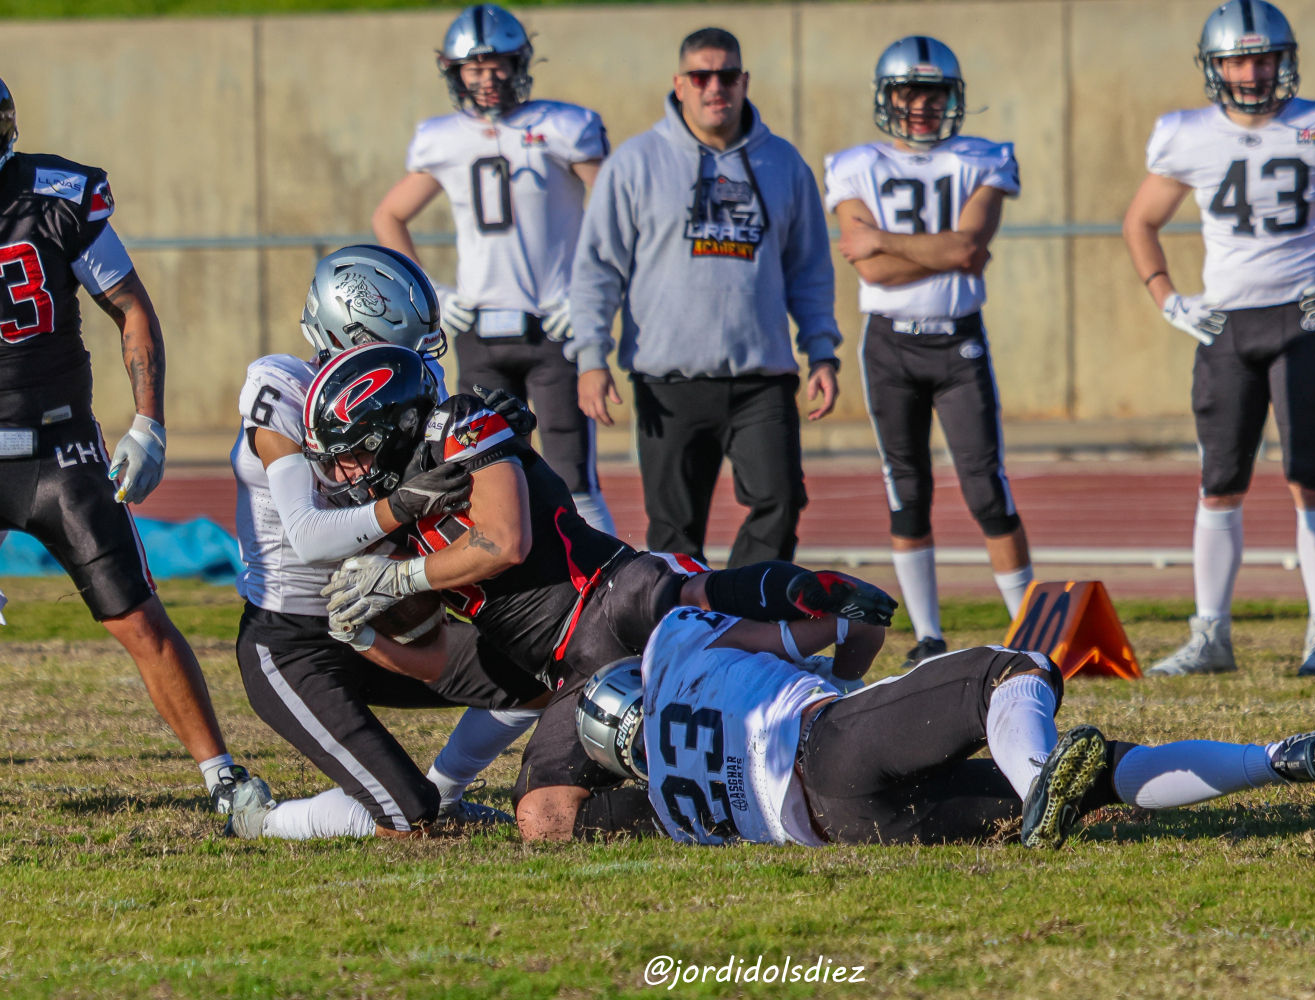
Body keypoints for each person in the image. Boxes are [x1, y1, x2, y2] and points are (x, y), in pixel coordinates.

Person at [302, 344, 896, 841]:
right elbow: (433, 658)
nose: (346, 474)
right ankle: (706, 808)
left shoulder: (458, 423)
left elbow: (505, 540)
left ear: (392, 425)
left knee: (697, 604)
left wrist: (404, 576)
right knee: (543, 819)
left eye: (352, 455)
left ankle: (828, 632)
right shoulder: (394, 522)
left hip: (613, 591)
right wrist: (363, 633)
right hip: (573, 669)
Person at [1121, 0, 1315, 677]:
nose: (1252, 71)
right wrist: (1167, 298)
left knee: (1308, 480)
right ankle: (1211, 637)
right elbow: (1139, 221)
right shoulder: (1187, 134)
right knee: (1217, 485)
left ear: (1283, 61)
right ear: (1215, 66)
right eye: (1238, 58)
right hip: (1226, 327)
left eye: (1263, 58)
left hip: (1303, 321)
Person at [567, 607, 1315, 848]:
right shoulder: (675, 639)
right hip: (826, 747)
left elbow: (567, 822)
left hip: (857, 830)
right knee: (1016, 671)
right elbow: (808, 632)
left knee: (1101, 782)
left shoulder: (673, 813)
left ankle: (1283, 761)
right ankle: (1046, 781)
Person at [0, 77, 267, 815]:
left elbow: (130, 307)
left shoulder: (56, 199)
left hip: (58, 450)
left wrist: (148, 421)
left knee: (136, 615)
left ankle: (222, 776)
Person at [225, 244, 549, 840]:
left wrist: (501, 439)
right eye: (395, 348)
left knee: (538, 677)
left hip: (391, 615)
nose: (416, 364)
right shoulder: (283, 388)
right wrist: (401, 504)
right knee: (406, 817)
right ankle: (262, 822)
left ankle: (447, 790)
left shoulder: (404, 387)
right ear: (345, 338)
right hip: (293, 640)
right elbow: (307, 535)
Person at [567, 27, 841, 567]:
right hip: (670, 381)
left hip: (761, 378)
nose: (715, 87)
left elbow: (809, 268)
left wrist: (822, 350)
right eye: (701, 76)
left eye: (727, 75)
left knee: (781, 501)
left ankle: (740, 618)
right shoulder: (636, 162)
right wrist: (591, 358)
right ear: (680, 83)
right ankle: (684, 639)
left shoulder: (783, 164)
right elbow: (597, 267)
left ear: (744, 81)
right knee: (674, 532)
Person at [825, 37, 1034, 669]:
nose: (919, 105)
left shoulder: (984, 158)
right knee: (905, 488)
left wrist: (883, 242)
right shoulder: (854, 163)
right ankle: (929, 633)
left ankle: (1027, 626)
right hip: (889, 343)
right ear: (886, 98)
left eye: (933, 93)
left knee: (985, 487)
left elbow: (964, 252)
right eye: (907, 92)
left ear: (954, 97)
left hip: (956, 337)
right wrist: (937, 248)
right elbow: (876, 271)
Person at [372, 3, 616, 534]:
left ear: (520, 61)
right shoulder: (444, 137)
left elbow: (617, 208)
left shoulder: (562, 125)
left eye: (498, 64)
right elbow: (388, 215)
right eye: (474, 68)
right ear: (453, 70)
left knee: (573, 473)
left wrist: (588, 294)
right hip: (479, 332)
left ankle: (610, 586)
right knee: (486, 471)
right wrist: (431, 294)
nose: (487, 78)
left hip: (552, 327)